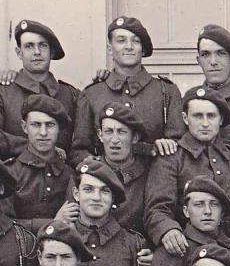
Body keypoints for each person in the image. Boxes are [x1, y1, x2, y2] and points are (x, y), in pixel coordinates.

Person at [144, 87, 230, 250]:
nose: (205, 123)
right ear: (185, 118)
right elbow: (157, 208)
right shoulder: (171, 157)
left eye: (211, 116)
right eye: (197, 116)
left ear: (221, 119)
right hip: (187, 248)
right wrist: (168, 229)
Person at [67, 16, 185, 166]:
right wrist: (91, 162)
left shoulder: (166, 91)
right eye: (121, 40)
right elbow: (79, 150)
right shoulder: (92, 94)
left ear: (143, 50)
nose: (129, 46)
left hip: (154, 179)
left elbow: (180, 144)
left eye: (135, 41)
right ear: (110, 49)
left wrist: (164, 145)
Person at [0, 19, 81, 161]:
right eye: (29, 46)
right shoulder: (1, 93)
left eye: (43, 46)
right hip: (16, 177)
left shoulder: (70, 95)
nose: (37, 52)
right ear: (19, 53)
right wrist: (31, 147)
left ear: (51, 52)